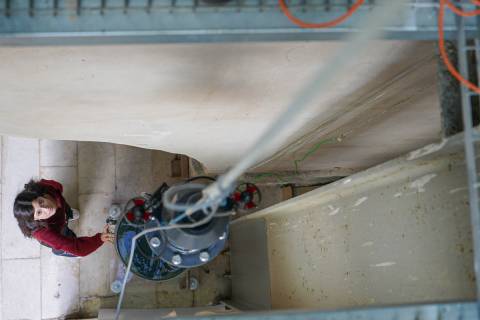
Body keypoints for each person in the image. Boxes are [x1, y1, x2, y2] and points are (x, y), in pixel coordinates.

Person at [13, 179, 114, 257]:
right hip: (56, 229)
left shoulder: (46, 187)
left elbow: (58, 186)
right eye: (39, 212)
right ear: (36, 220)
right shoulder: (42, 232)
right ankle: (60, 251)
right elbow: (77, 248)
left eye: (41, 202)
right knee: (67, 239)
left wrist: (64, 210)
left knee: (65, 209)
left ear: (41, 194)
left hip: (62, 209)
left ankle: (68, 215)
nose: (46, 209)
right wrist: (99, 239)